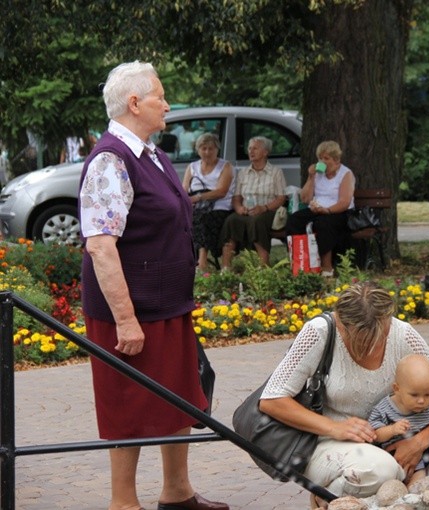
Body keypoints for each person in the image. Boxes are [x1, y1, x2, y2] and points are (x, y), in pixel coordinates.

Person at [78, 61, 228, 510]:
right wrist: (125, 319)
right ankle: (123, 502)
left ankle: (177, 492)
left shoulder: (151, 153)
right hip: (130, 311)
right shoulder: (110, 159)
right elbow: (101, 246)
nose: (167, 103)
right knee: (128, 405)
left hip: (166, 303)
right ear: (135, 102)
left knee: (177, 396)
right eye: (161, 95)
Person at [259, 282, 429, 506]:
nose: (374, 345)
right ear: (341, 324)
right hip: (332, 440)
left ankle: (411, 495)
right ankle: (329, 497)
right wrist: (334, 427)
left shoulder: (403, 335)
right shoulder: (319, 332)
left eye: (381, 334)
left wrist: (418, 443)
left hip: (402, 436)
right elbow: (272, 400)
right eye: (363, 338)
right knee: (381, 469)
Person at [368, 354, 429, 486]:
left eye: (427, 394)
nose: (421, 401)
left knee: (418, 479)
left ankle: (412, 496)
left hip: (424, 457)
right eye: (414, 395)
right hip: (392, 456)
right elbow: (375, 434)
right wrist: (391, 429)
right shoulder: (384, 408)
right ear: (397, 389)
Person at [284, 140, 354, 277]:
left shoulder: (346, 174)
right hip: (317, 209)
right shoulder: (318, 174)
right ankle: (300, 263)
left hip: (338, 211)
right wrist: (311, 177)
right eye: (320, 158)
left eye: (326, 158)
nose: (322, 162)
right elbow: (305, 199)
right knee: (294, 221)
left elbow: (345, 201)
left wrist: (327, 210)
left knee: (323, 224)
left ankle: (326, 268)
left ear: (336, 159)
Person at [220, 136, 286, 268]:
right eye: (249, 148)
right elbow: (237, 197)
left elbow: (281, 198)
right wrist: (239, 208)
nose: (251, 151)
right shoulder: (243, 173)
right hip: (246, 211)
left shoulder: (276, 172)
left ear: (265, 152)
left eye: (255, 148)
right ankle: (226, 268)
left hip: (268, 211)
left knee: (257, 221)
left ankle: (263, 266)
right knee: (231, 220)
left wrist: (264, 207)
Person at [181, 133, 234, 272]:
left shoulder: (225, 166)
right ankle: (183, 259)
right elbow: (184, 190)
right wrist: (188, 200)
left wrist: (198, 197)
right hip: (196, 207)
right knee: (182, 219)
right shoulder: (192, 167)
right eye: (203, 148)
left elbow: (221, 191)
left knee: (202, 219)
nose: (207, 152)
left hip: (220, 207)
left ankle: (202, 261)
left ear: (217, 149)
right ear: (198, 150)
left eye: (211, 148)